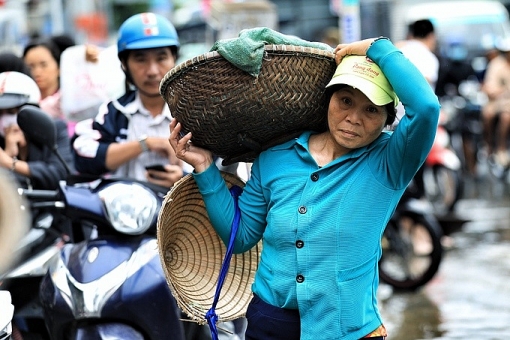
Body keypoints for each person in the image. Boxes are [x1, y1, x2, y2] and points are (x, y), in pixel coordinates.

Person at [169, 36, 440, 339]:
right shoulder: (275, 158)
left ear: (386, 119)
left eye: (371, 110)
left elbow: (426, 108)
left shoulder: (390, 161)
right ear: (328, 100)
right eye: (345, 101)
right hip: (269, 323)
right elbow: (241, 234)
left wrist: (378, 47)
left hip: (347, 329)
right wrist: (205, 168)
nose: (353, 118)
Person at [71, 12, 186, 188]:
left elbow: (220, 167)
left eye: (161, 58)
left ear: (174, 59)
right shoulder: (113, 111)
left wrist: (185, 180)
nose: (153, 71)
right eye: (141, 60)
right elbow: (82, 155)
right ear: (124, 64)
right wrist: (145, 144)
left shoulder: (196, 112)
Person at [0, 71, 72, 190]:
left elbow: (61, 174)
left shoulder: (54, 130)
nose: (4, 120)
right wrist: (7, 154)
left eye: (11, 112)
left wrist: (10, 163)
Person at [480, 38, 510, 168]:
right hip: (498, 102)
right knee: (493, 115)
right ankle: (494, 147)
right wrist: (501, 91)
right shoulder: (496, 65)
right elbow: (490, 88)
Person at [398, 19, 439, 91]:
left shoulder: (399, 50)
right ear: (431, 36)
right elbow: (422, 86)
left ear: (412, 34)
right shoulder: (429, 58)